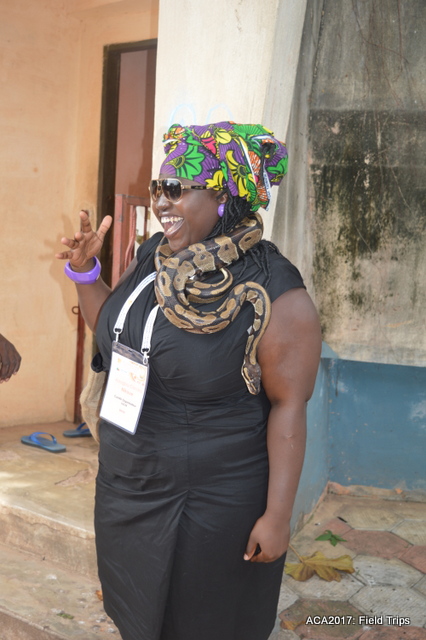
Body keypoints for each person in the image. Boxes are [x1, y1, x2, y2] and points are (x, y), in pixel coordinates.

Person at [56, 121, 321, 640]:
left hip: (214, 501)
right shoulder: (153, 256)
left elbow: (289, 406)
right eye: (159, 187)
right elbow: (116, 332)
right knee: (137, 612)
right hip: (131, 484)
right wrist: (85, 273)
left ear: (222, 196)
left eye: (177, 188)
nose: (162, 201)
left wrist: (278, 515)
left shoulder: (274, 290)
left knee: (204, 622)